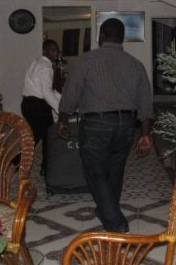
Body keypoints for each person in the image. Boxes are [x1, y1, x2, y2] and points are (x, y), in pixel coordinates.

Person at [57, 18, 153, 233]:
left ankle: (116, 223)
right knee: (115, 171)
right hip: (127, 124)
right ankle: (105, 210)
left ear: (101, 36)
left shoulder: (86, 60)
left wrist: (62, 119)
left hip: (96, 124)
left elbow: (71, 94)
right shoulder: (135, 64)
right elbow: (146, 102)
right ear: (122, 38)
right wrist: (145, 134)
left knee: (96, 173)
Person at [21, 39, 61, 175]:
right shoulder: (46, 67)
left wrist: (61, 99)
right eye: (52, 50)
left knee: (34, 136)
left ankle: (17, 162)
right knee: (47, 137)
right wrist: (61, 110)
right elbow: (47, 93)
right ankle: (46, 168)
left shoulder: (36, 63)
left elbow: (49, 90)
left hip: (27, 104)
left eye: (56, 51)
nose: (55, 53)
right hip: (38, 106)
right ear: (45, 51)